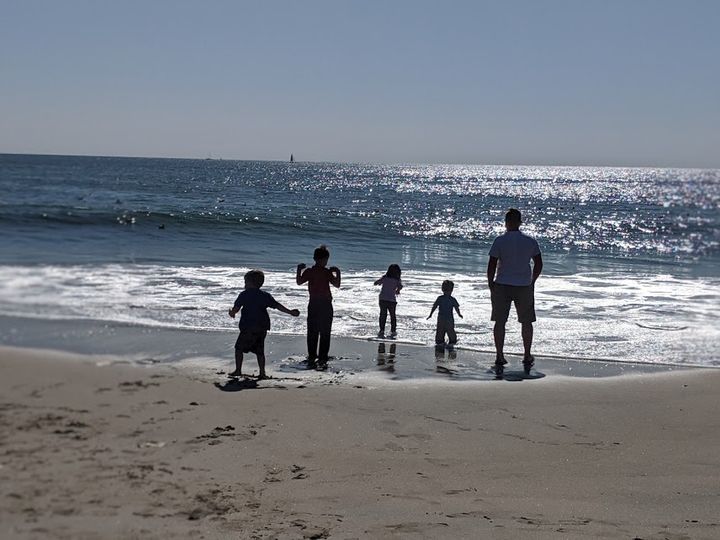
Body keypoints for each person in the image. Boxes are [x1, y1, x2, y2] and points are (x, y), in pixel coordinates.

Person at [487, 208, 543, 376]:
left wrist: (491, 284)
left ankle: (499, 355)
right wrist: (533, 280)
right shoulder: (530, 241)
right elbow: (538, 263)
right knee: (526, 321)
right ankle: (526, 354)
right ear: (520, 222)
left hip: (502, 283)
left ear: (506, 222)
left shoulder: (500, 241)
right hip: (523, 285)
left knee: (500, 321)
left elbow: (491, 264)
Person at [228, 269, 300, 379]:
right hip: (261, 327)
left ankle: (238, 370)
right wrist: (290, 312)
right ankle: (262, 372)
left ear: (250, 283)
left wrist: (232, 313)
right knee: (259, 351)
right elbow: (277, 306)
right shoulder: (265, 295)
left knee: (239, 349)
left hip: (248, 326)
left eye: (245, 282)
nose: (244, 284)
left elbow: (236, 308)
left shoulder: (244, 295)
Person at [296, 245, 341, 368]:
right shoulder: (326, 272)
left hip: (314, 303)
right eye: (326, 259)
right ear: (323, 259)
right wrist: (338, 273)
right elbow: (337, 284)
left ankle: (312, 355)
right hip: (325, 304)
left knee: (313, 331)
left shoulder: (310, 271)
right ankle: (322, 356)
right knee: (325, 332)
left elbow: (299, 282)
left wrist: (298, 270)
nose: (326, 262)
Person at [427, 280, 463, 347]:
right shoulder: (451, 299)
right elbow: (456, 307)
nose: (448, 292)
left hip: (443, 318)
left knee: (442, 331)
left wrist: (430, 314)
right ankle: (450, 342)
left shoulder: (441, 298)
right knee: (448, 331)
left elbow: (434, 306)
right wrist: (459, 314)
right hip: (447, 318)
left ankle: (441, 342)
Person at [373, 264, 403, 338]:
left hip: (383, 298)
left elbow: (376, 283)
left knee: (383, 315)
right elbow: (400, 286)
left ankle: (382, 330)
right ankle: (393, 331)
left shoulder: (385, 278)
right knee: (393, 316)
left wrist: (378, 282)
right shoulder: (397, 280)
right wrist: (397, 290)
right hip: (392, 300)